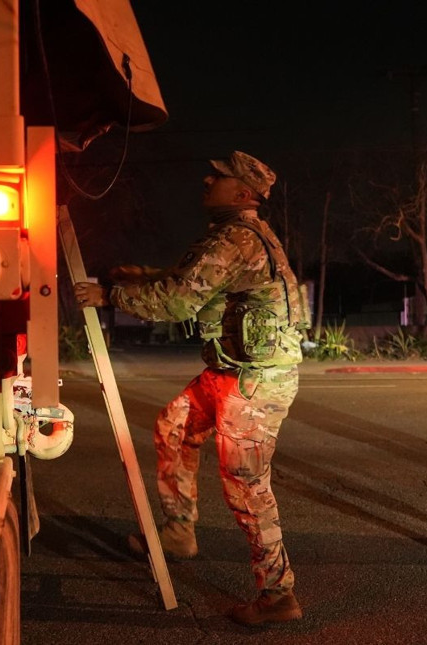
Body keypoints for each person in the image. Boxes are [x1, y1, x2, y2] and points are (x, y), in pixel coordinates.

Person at [74, 151, 309, 626]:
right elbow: (192, 282)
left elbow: (181, 301)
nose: (207, 179)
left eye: (219, 177)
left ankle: (278, 595)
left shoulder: (238, 238)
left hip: (255, 380)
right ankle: (179, 532)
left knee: (246, 485)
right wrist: (144, 276)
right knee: (176, 427)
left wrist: (109, 297)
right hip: (233, 370)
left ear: (243, 194)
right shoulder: (230, 236)